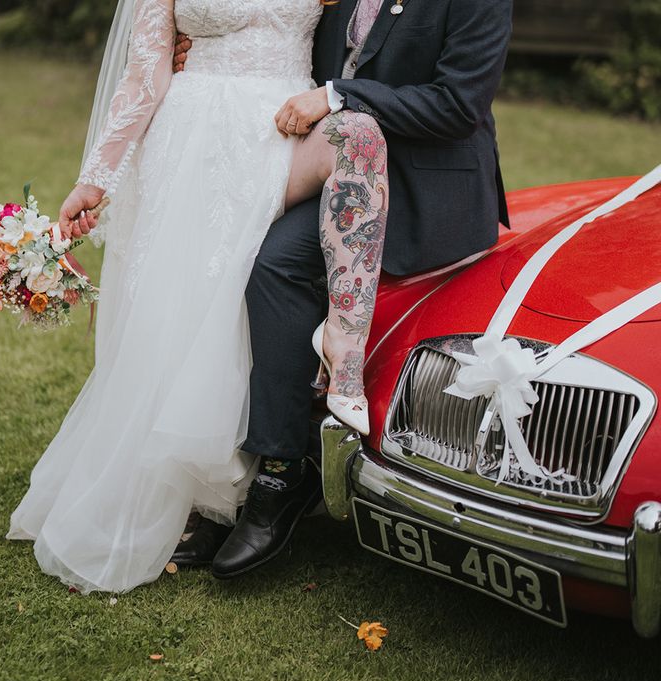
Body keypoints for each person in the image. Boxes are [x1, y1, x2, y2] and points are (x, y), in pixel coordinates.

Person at [6, 0, 394, 593]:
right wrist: (95, 179)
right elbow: (145, 75)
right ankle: (196, 495)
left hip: (289, 129)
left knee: (352, 149)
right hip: (198, 142)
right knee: (194, 311)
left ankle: (340, 361)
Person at [170, 0, 513, 578]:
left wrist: (339, 96)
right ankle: (236, 476)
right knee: (240, 252)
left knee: (277, 264)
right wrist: (200, 51)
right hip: (338, 167)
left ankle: (280, 474)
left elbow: (459, 105)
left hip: (424, 188)